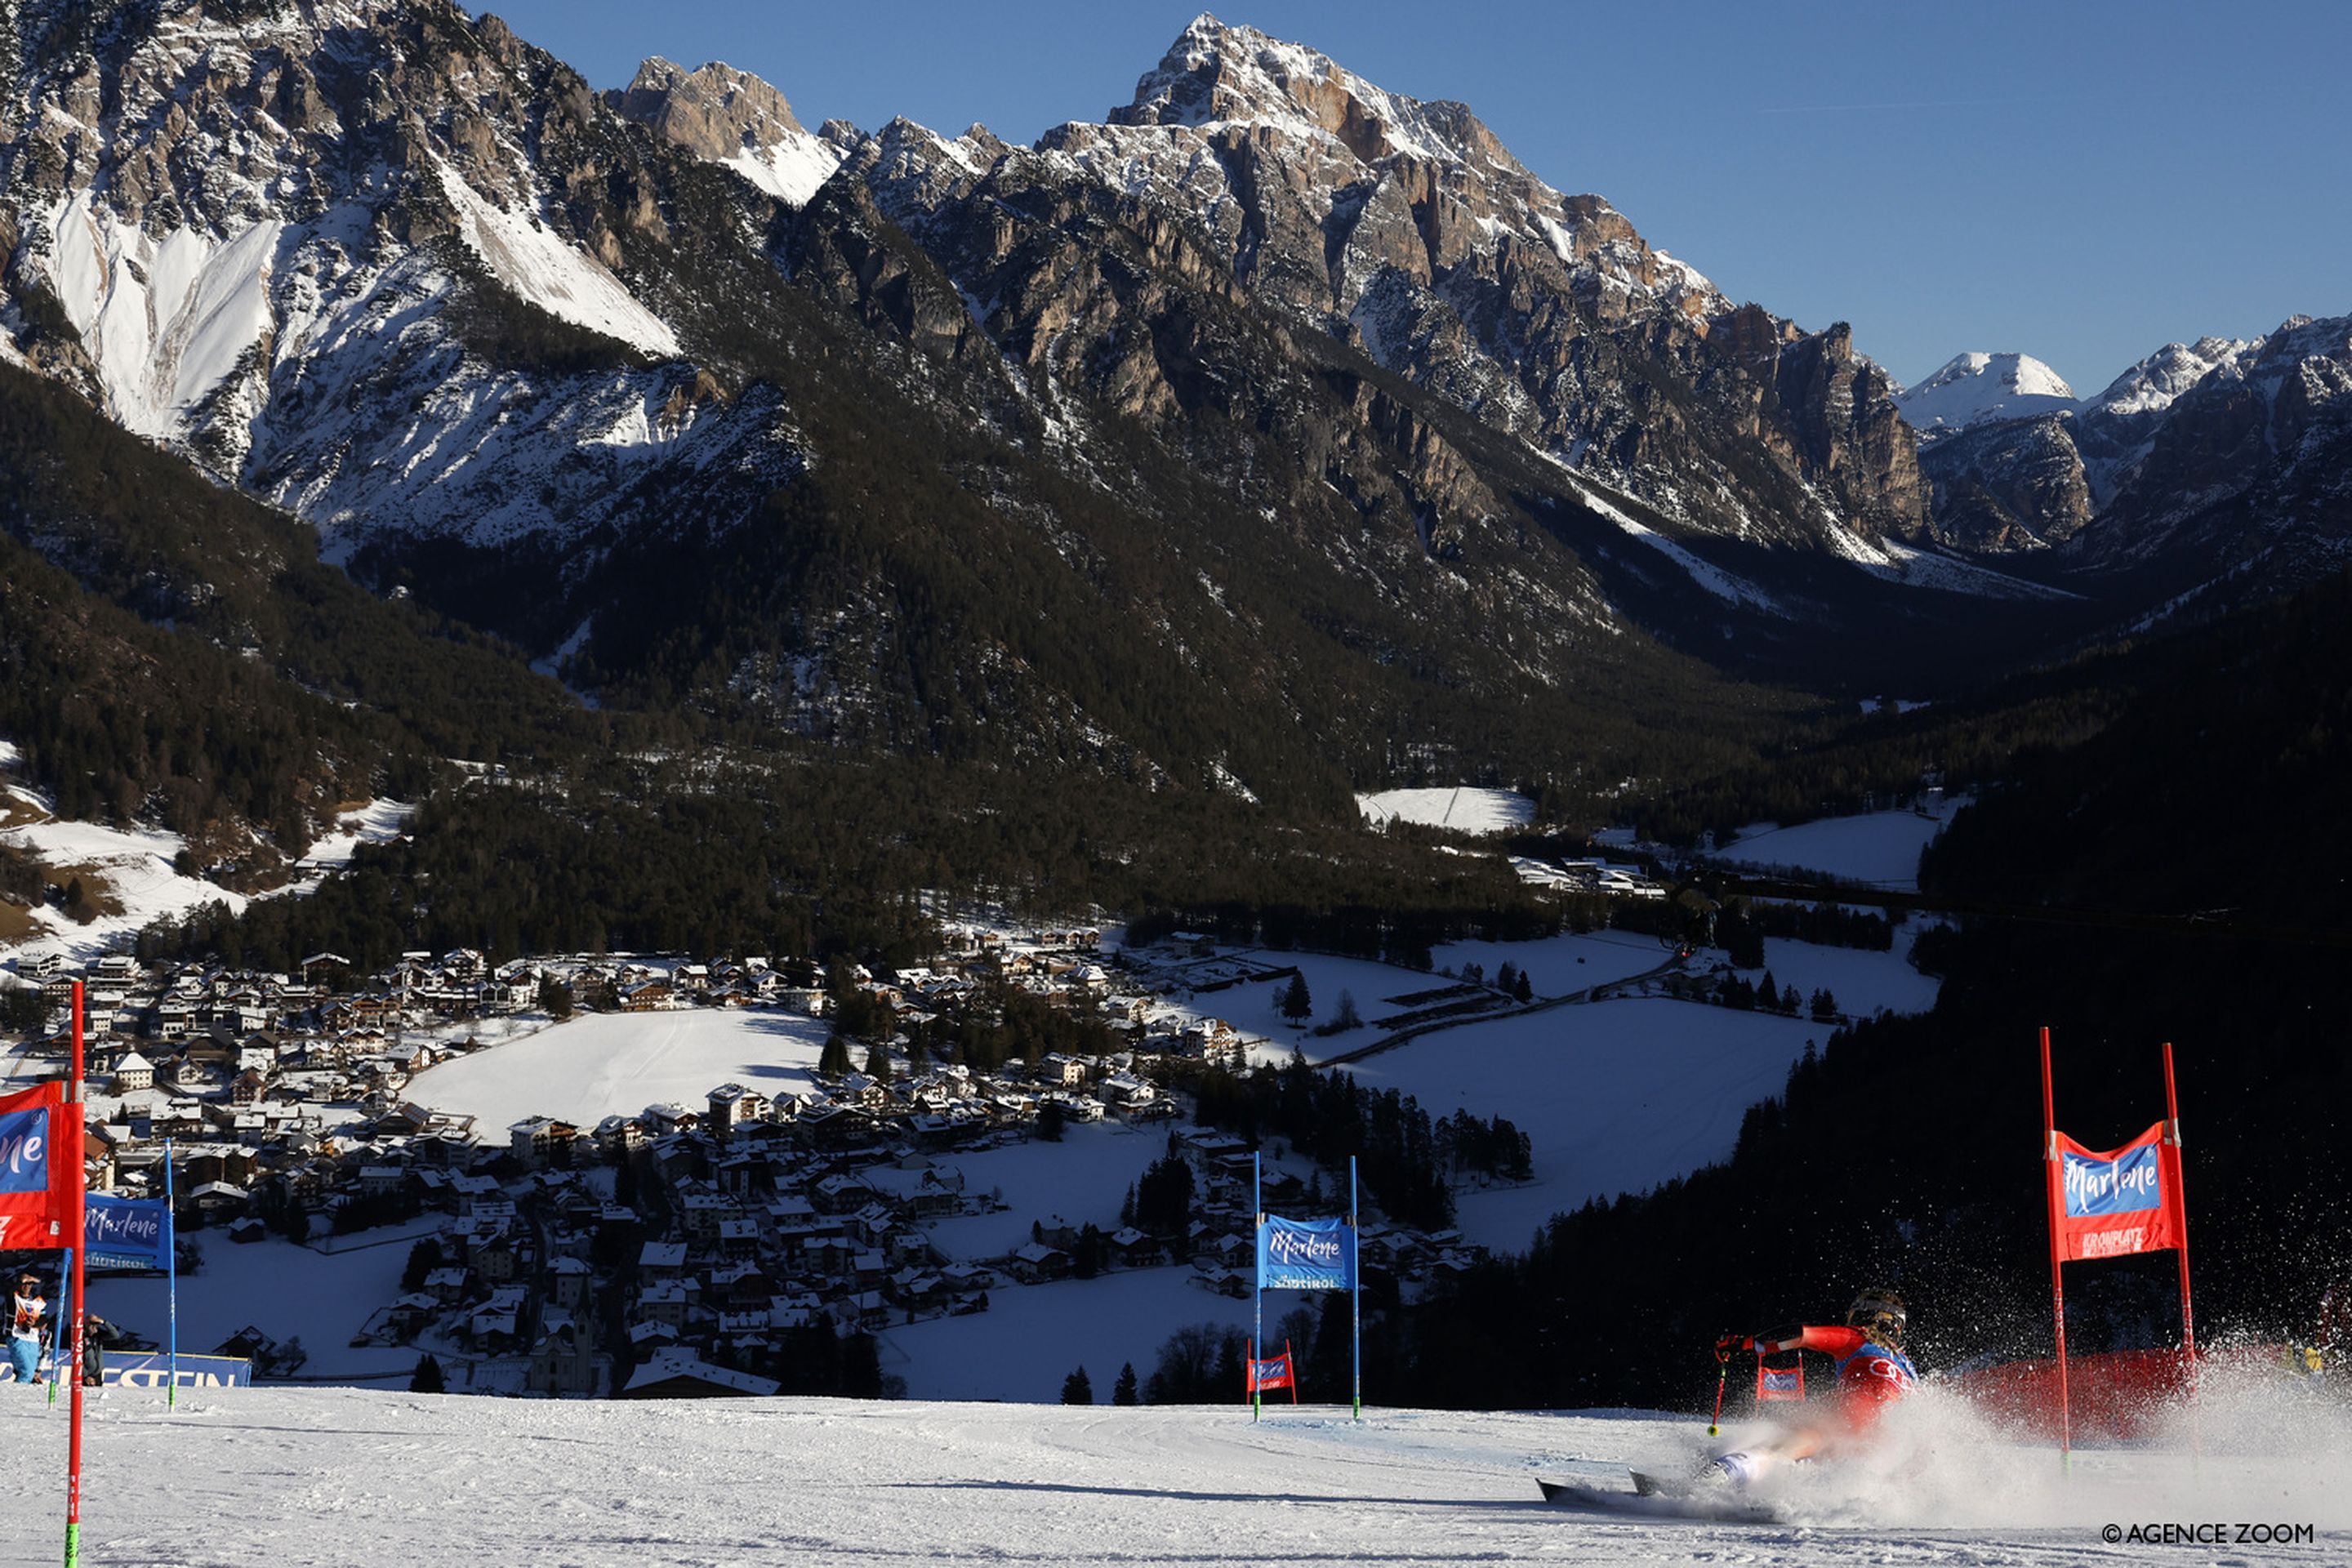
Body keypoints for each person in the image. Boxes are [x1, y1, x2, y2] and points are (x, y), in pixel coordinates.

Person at [1704, 1285, 1918, 1487]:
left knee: (1786, 1444)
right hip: (1883, 1444)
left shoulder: (1857, 1338)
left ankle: (1727, 1472)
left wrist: (1745, 1343)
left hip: (1851, 1416)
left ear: (1863, 1315)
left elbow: (1801, 1335)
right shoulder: (1909, 1370)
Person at [7, 1272, 47, 1386]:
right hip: (16, 1338)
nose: (26, 1286)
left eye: (29, 1284)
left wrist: (34, 1323)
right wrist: (22, 1280)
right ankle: (15, 1398)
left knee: (29, 1374)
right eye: (24, 1284)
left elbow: (44, 1320)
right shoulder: (14, 1297)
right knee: (27, 1373)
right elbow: (8, 1291)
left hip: (33, 1340)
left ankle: (18, 1397)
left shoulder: (37, 1301)